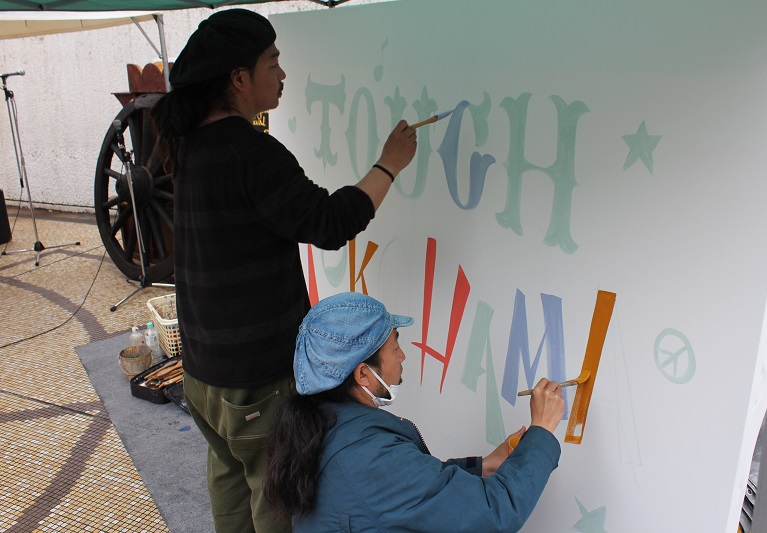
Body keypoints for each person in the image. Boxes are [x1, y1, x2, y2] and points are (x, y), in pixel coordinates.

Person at [149, 9, 417, 533]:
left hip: (203, 374)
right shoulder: (250, 152)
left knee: (231, 486)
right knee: (276, 501)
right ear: (239, 78)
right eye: (272, 63)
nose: (283, 74)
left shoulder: (189, 145)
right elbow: (329, 222)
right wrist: (389, 164)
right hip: (254, 382)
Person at [263, 292, 565, 532]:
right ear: (363, 374)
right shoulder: (368, 456)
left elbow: (407, 491)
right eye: (395, 345)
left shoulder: (321, 424)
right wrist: (542, 430)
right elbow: (494, 513)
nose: (402, 356)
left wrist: (481, 466)